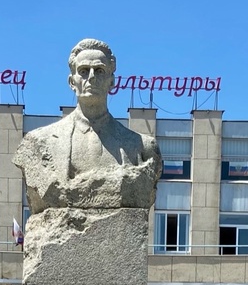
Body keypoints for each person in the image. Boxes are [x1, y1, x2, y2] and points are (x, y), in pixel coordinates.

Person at [13, 38, 163, 216]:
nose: (91, 76)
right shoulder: (38, 143)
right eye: (84, 71)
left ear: (112, 81)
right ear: (71, 82)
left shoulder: (141, 147)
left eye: (99, 70)